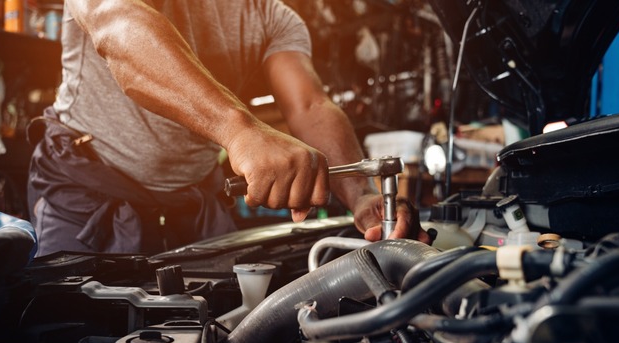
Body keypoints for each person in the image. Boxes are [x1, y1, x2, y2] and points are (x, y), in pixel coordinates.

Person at [27, 0, 429, 256]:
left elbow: (309, 104)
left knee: (211, 339)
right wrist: (241, 131)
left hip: (192, 202)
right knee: (70, 337)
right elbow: (118, 25)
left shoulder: (272, 16)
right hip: (85, 193)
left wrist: (361, 195)